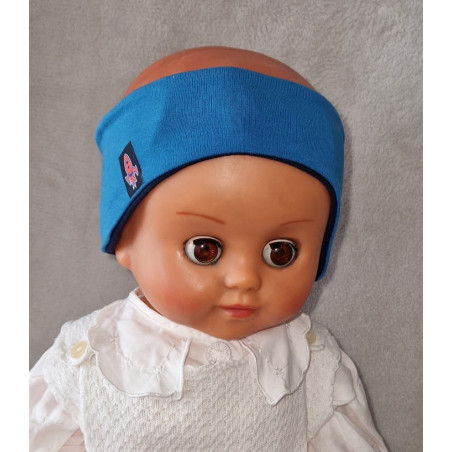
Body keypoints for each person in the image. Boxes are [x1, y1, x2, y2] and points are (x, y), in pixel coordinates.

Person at [30, 46, 387, 451]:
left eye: (280, 252)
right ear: (125, 240)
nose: (245, 278)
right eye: (204, 249)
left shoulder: (309, 366)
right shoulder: (89, 363)